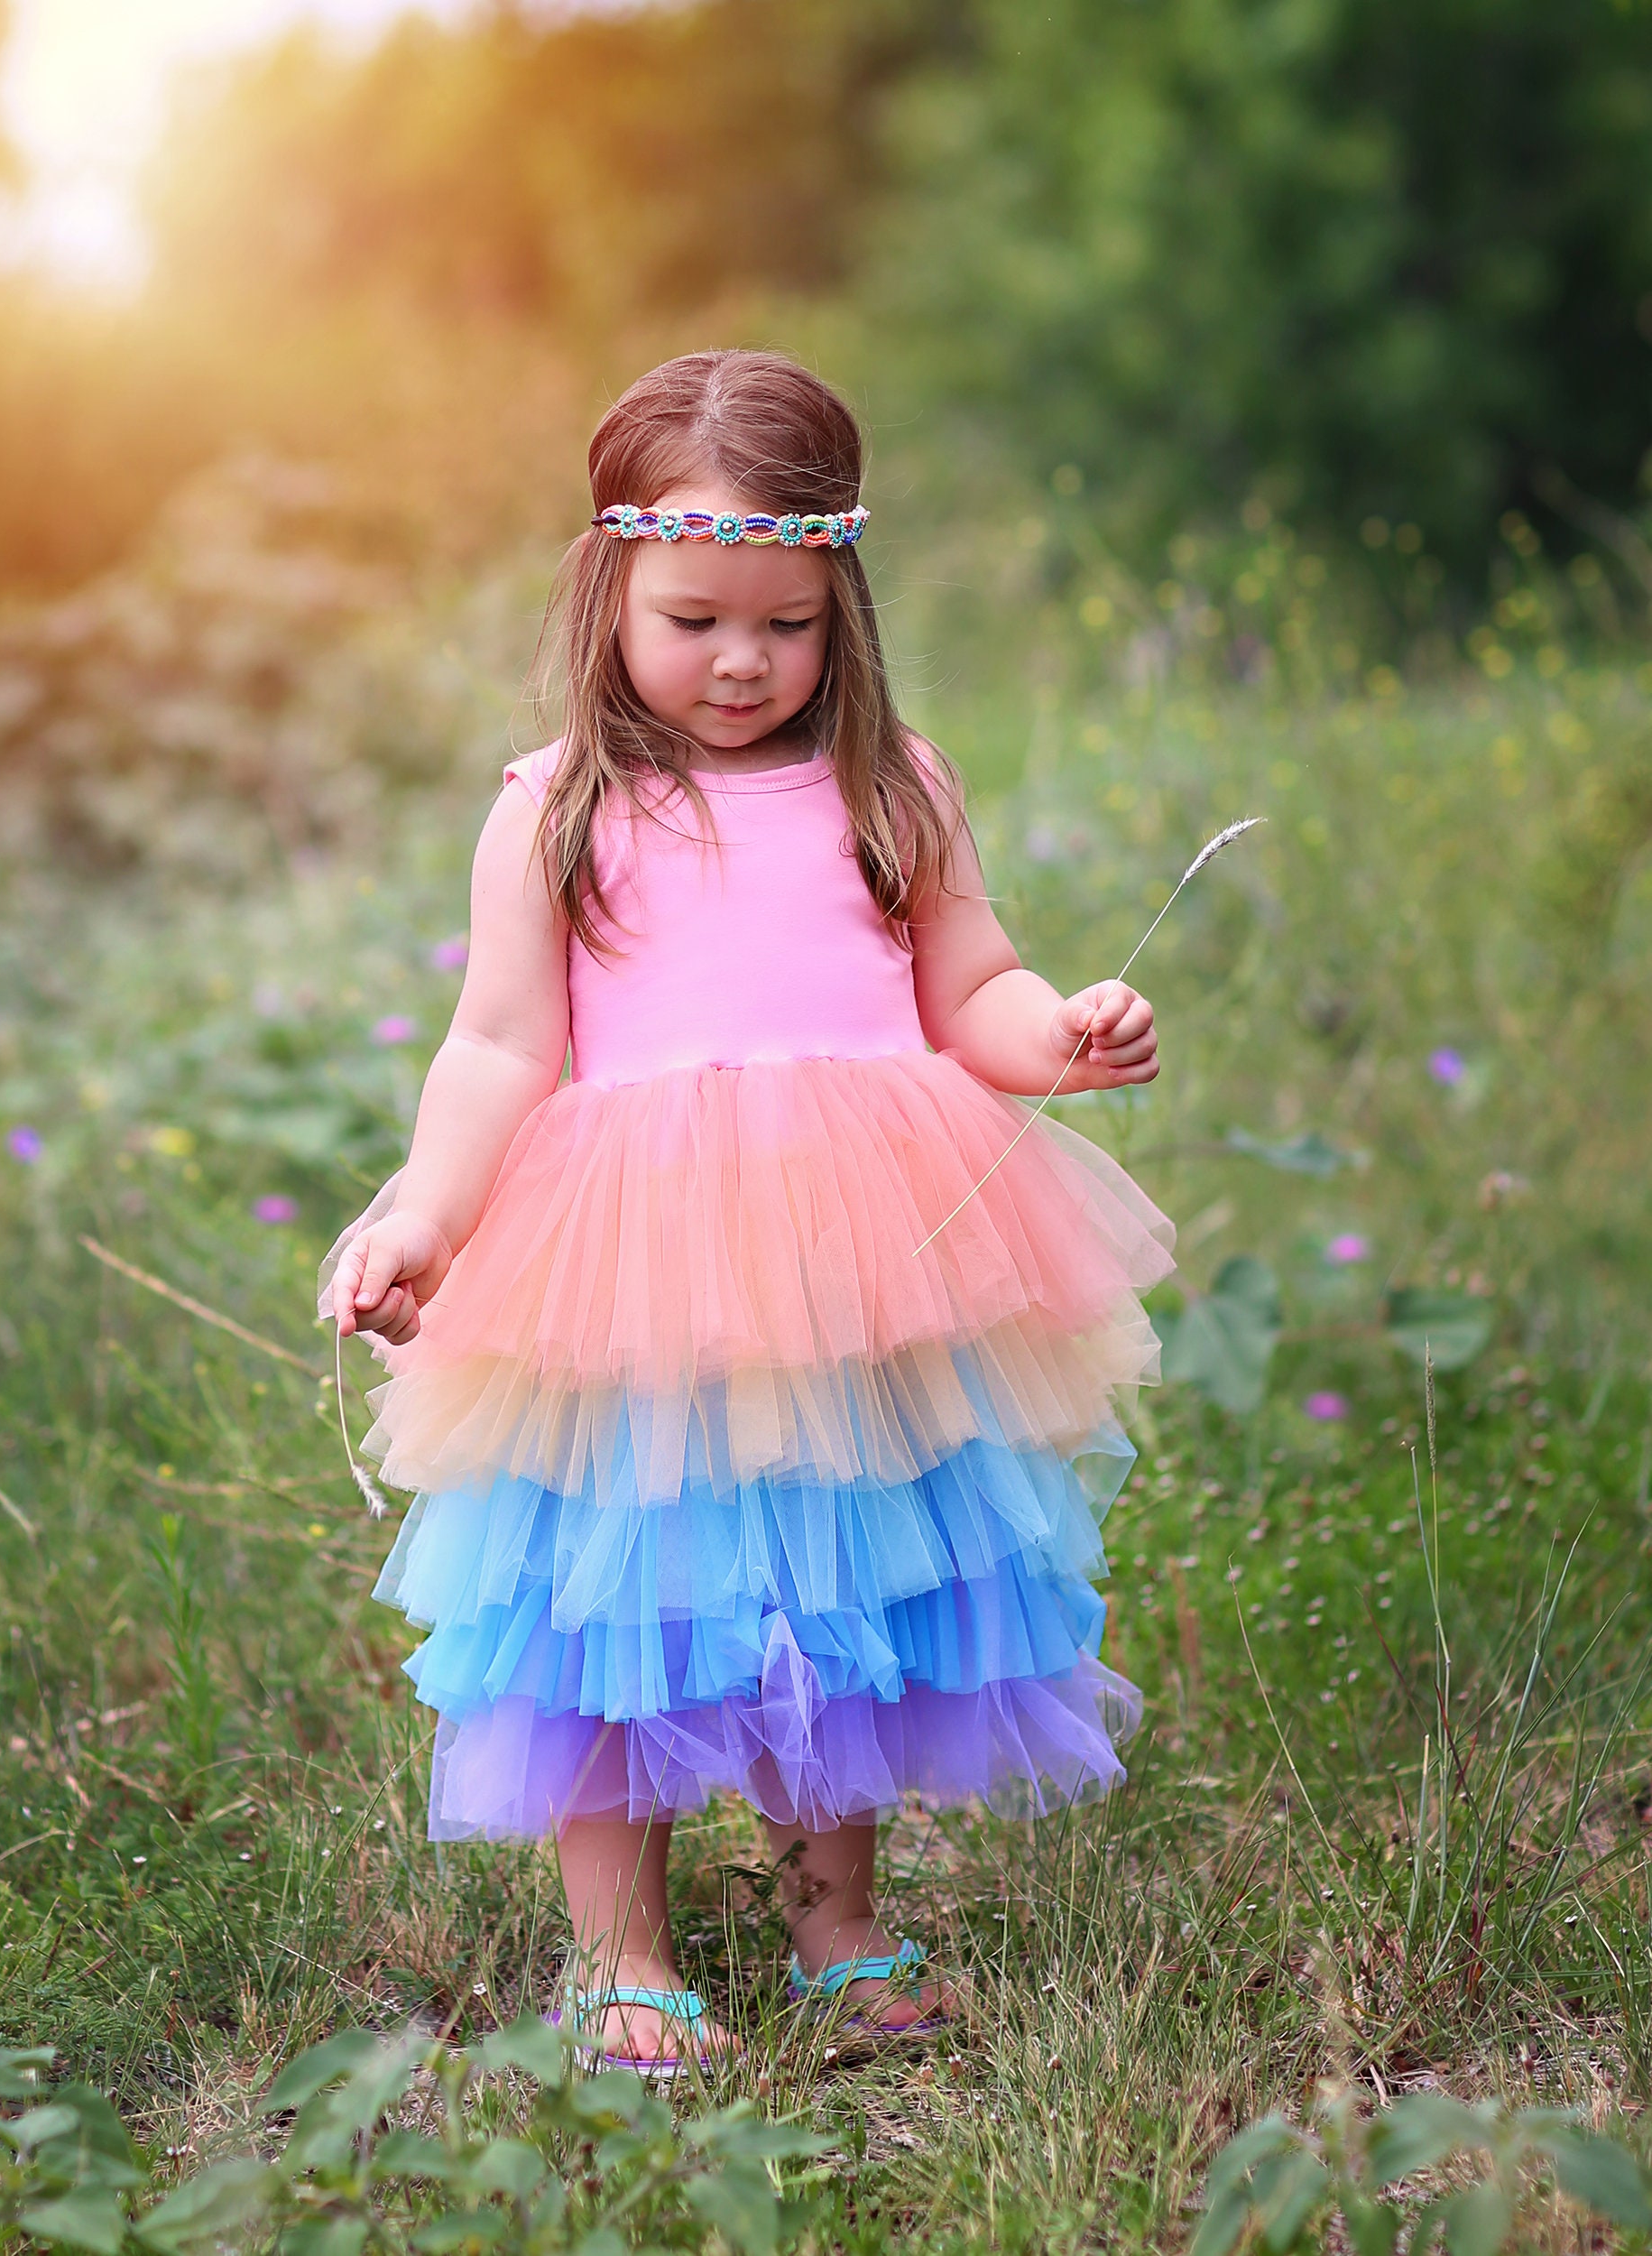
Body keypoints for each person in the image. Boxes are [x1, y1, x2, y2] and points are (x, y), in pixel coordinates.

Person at [325, 349, 1174, 2071]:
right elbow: (498, 1044)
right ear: (610, 591)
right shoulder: (560, 804)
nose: (739, 661)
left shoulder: (892, 784)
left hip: (859, 1257)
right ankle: (623, 1957)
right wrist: (426, 1216)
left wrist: (1059, 1039)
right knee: (612, 1599)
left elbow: (972, 986)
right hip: (625, 1262)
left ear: (839, 605)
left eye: (784, 625)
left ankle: (835, 1919)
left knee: (847, 1581)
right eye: (696, 617)